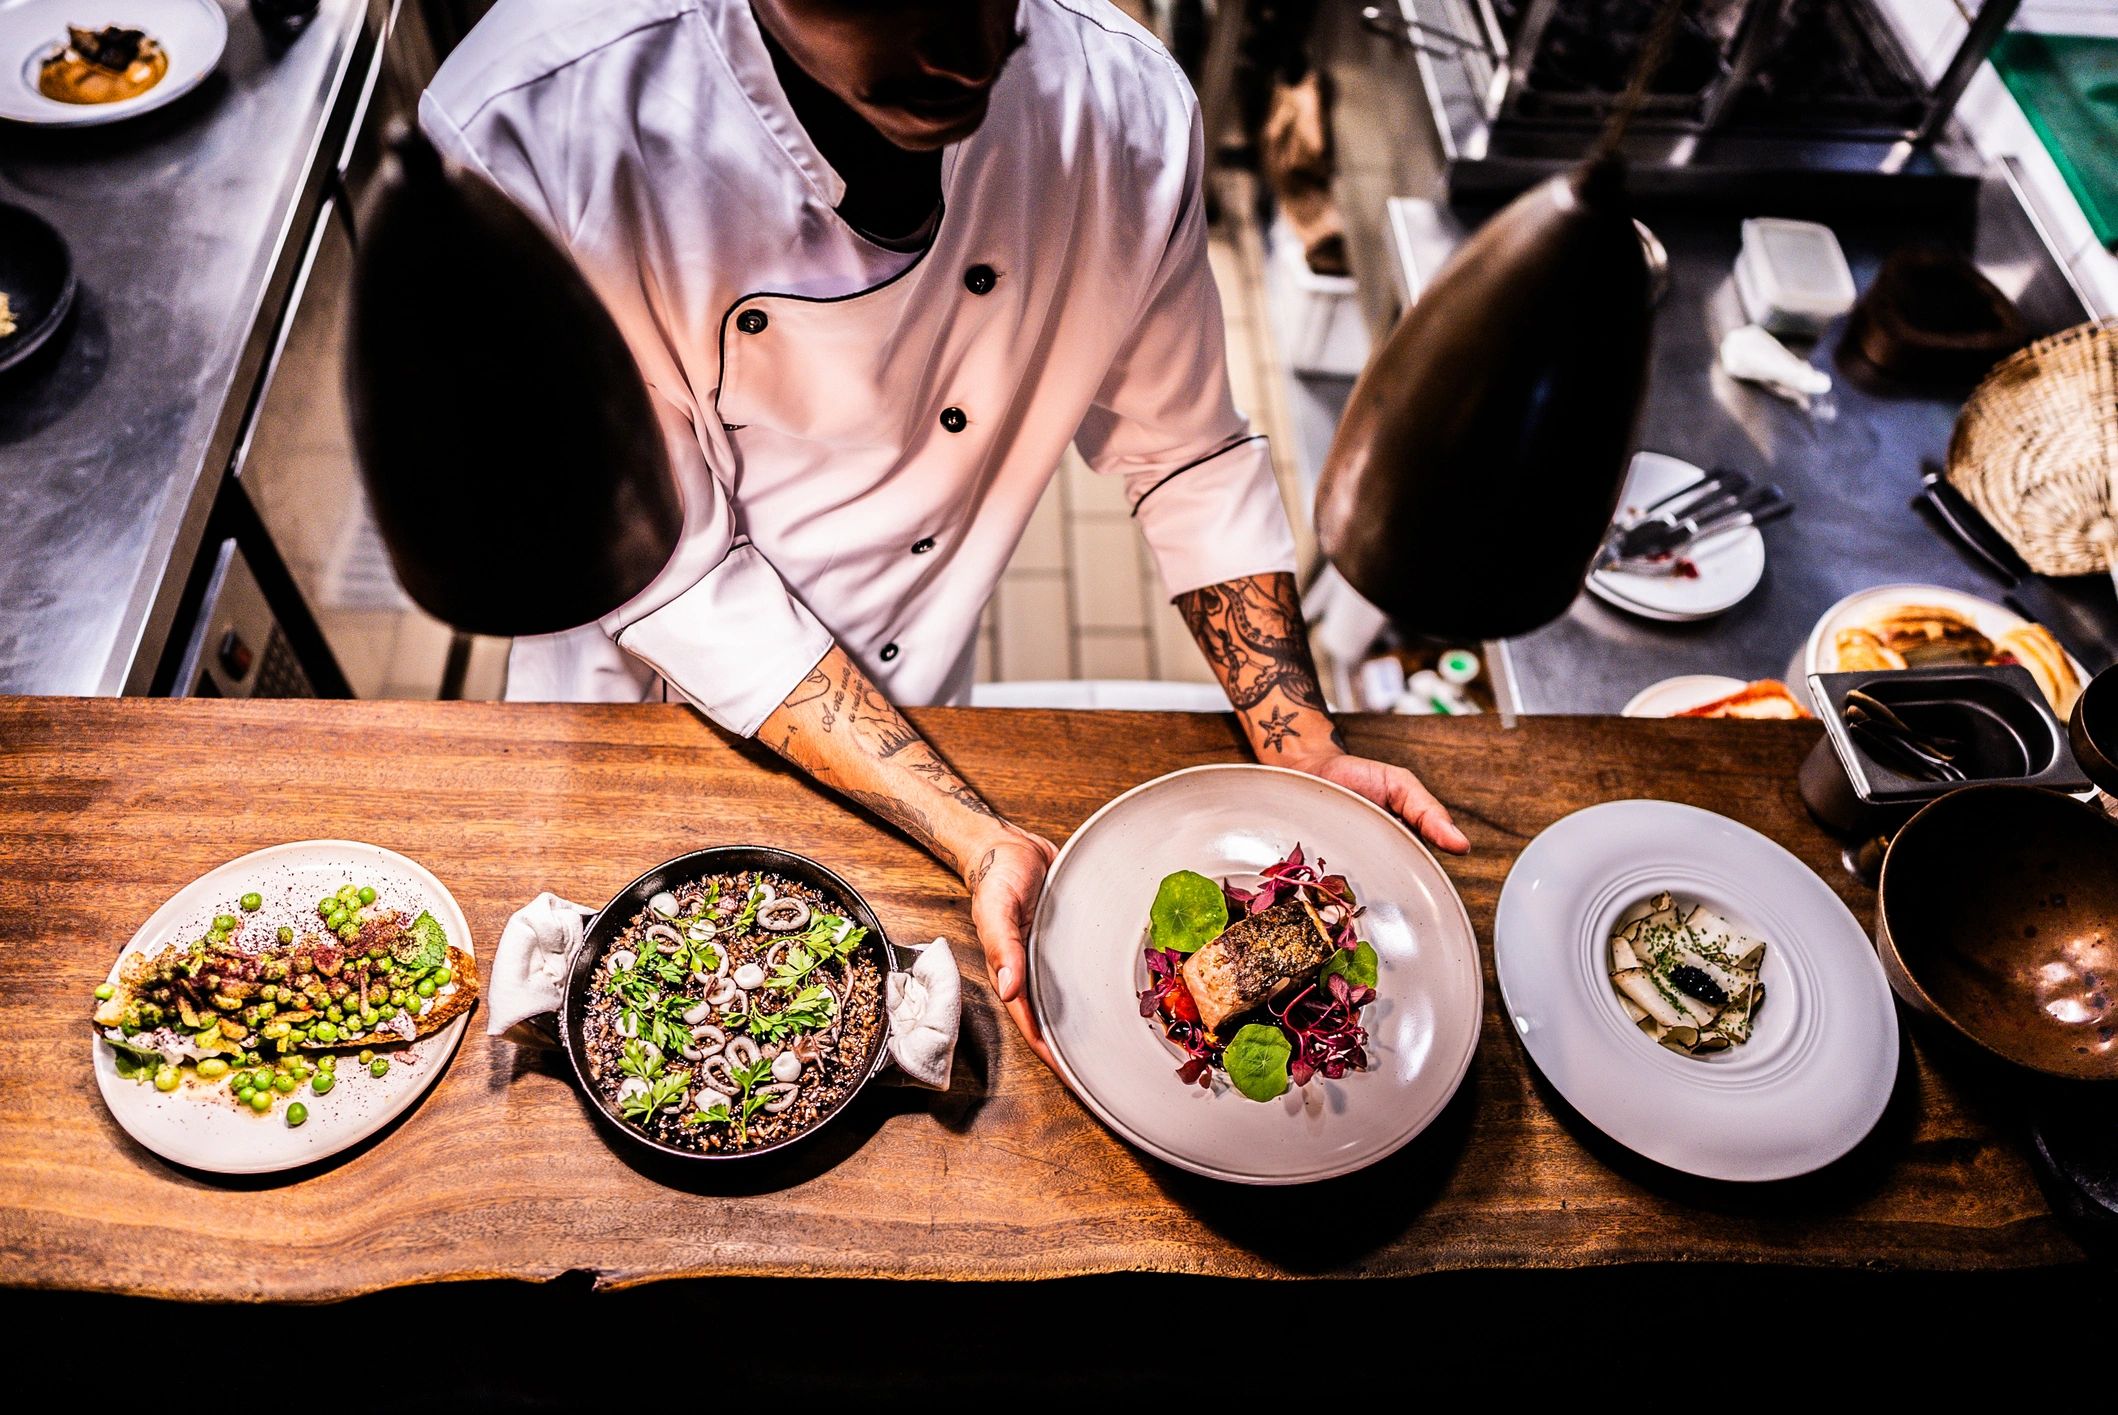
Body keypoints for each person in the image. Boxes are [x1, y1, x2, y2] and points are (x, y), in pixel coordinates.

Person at [423, 0, 1465, 1064]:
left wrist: (1307, 748)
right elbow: (673, 576)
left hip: (918, 726)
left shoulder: (1124, 112)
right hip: (644, 713)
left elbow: (1183, 450)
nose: (966, 51)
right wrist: (972, 832)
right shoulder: (539, 127)